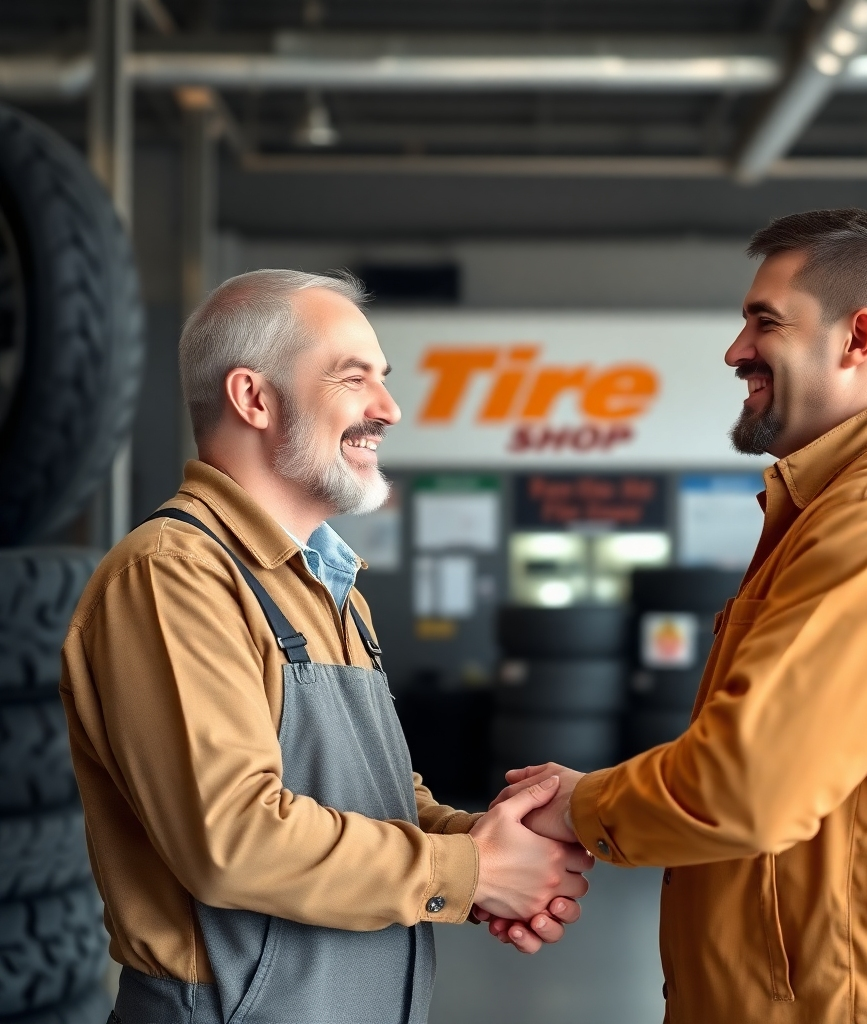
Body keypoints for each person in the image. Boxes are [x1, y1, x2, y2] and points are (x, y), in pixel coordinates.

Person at [492, 209, 867, 1023]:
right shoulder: (830, 511)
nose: (736, 351)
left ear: (857, 338)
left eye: (764, 321)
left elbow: (748, 787)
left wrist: (579, 806)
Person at [60, 269, 593, 1024]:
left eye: (384, 380)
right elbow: (234, 837)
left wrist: (484, 844)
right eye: (355, 379)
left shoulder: (328, 585)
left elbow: (374, 799)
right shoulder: (174, 576)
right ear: (255, 399)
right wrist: (469, 871)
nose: (389, 408)